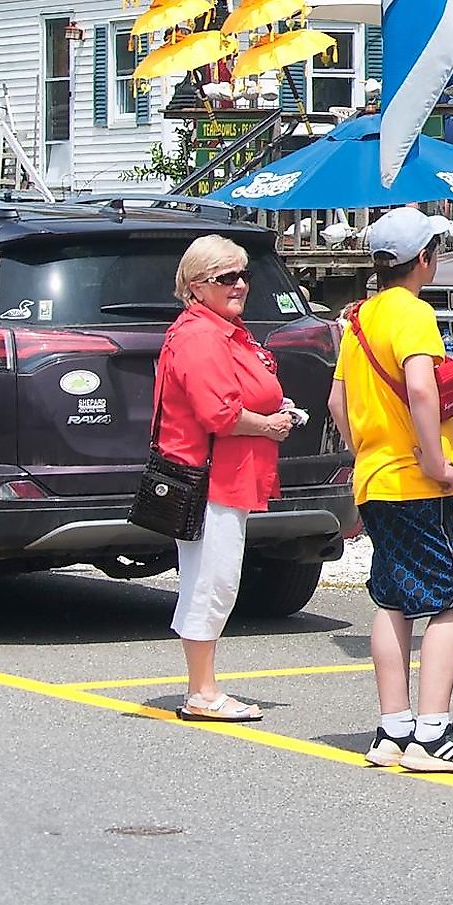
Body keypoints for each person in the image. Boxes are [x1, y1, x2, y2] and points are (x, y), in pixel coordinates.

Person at [325, 207, 453, 774]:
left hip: (375, 477)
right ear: (424, 258)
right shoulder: (414, 314)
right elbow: (424, 391)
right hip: (418, 479)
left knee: (393, 596)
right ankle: (433, 731)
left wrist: (366, 454)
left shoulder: (357, 319)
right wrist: (436, 460)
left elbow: (337, 403)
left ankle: (393, 726)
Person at [151, 234, 305, 722]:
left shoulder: (223, 329)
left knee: (216, 578)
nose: (239, 285)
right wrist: (270, 424)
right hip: (209, 477)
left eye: (243, 275)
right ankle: (202, 691)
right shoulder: (199, 336)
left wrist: (273, 410)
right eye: (226, 278)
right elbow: (218, 413)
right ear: (196, 286)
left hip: (229, 474)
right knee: (211, 581)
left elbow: (241, 395)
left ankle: (204, 686)